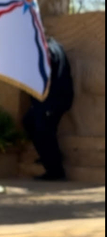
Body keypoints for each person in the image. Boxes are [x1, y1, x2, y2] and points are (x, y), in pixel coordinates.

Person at [22, 37, 74, 181]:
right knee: (32, 123)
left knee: (43, 131)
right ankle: (50, 156)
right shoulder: (54, 45)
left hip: (50, 101)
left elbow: (44, 76)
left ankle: (55, 170)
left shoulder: (47, 51)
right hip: (55, 100)